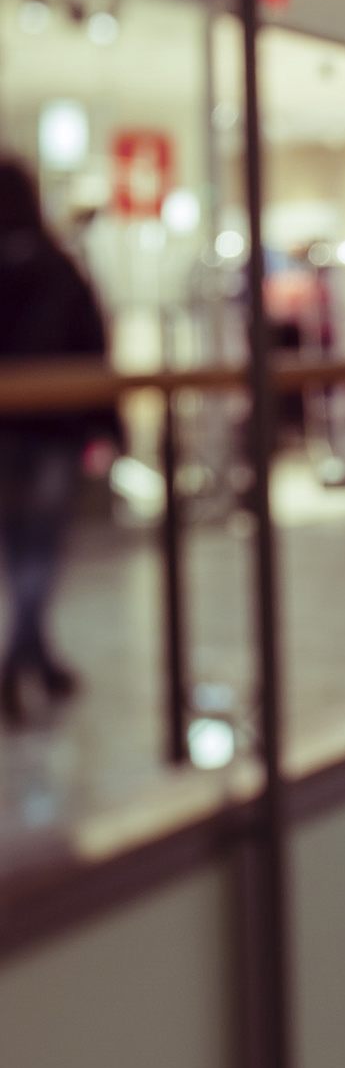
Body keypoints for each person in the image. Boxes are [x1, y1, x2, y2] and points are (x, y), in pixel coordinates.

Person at [0, 159, 117, 725]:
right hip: (50, 433)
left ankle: (31, 658)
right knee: (38, 550)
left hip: (17, 433)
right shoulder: (58, 267)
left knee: (20, 552)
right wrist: (107, 426)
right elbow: (92, 347)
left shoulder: (55, 268)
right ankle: (25, 660)